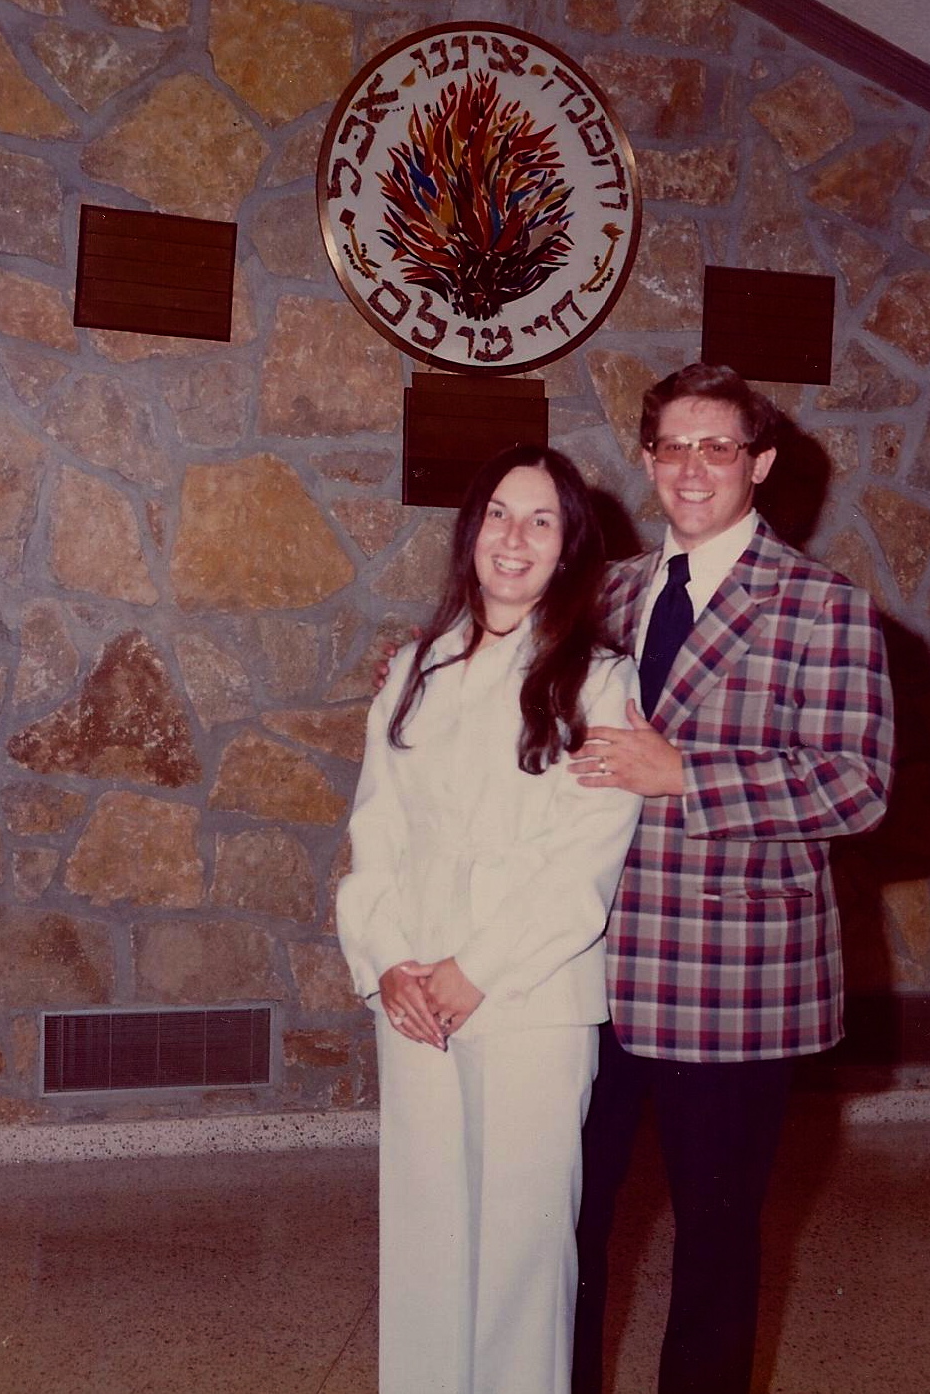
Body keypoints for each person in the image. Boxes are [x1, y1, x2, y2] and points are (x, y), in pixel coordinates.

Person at [564, 363, 895, 1394]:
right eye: (672, 446)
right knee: (563, 1223)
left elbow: (856, 785)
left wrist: (687, 774)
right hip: (584, 968)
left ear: (759, 464)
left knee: (713, 1242)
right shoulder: (605, 592)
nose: (692, 467)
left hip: (731, 976)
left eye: (717, 447)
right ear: (646, 459)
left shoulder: (822, 606)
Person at [338, 445, 644, 1394]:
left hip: (528, 999)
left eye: (540, 520)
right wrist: (387, 962)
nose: (514, 538)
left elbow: (583, 861)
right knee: (425, 1239)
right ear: (469, 533)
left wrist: (475, 970)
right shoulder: (414, 670)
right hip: (414, 999)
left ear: (569, 547)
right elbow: (375, 831)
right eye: (498, 515)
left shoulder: (599, 681)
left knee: (520, 1254)